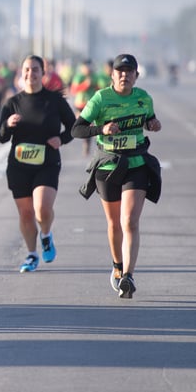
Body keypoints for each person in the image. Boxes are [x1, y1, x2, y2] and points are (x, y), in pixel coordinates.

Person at [71, 53, 162, 299]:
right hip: (108, 166)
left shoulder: (144, 98)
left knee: (130, 221)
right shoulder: (101, 98)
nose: (124, 75)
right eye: (119, 71)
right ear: (112, 75)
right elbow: (76, 129)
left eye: (129, 71)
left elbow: (150, 120)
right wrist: (102, 128)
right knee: (114, 224)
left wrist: (154, 124)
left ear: (136, 76)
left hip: (136, 163)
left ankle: (129, 276)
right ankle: (117, 266)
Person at [0, 55, 76, 273]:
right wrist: (8, 125)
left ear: (43, 72)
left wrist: (61, 138)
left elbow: (74, 127)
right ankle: (32, 255)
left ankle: (46, 234)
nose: (30, 74)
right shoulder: (12, 103)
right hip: (19, 165)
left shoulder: (54, 101)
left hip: (47, 162)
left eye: (35, 69)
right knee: (26, 214)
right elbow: (1, 137)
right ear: (21, 73)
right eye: (27, 70)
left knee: (41, 209)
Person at [69, 60, 97, 156]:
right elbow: (73, 90)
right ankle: (85, 142)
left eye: (90, 67)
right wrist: (85, 84)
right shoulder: (79, 77)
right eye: (86, 67)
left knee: (91, 125)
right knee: (82, 125)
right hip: (80, 104)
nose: (88, 69)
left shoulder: (94, 76)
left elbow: (99, 88)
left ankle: (89, 143)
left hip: (91, 104)